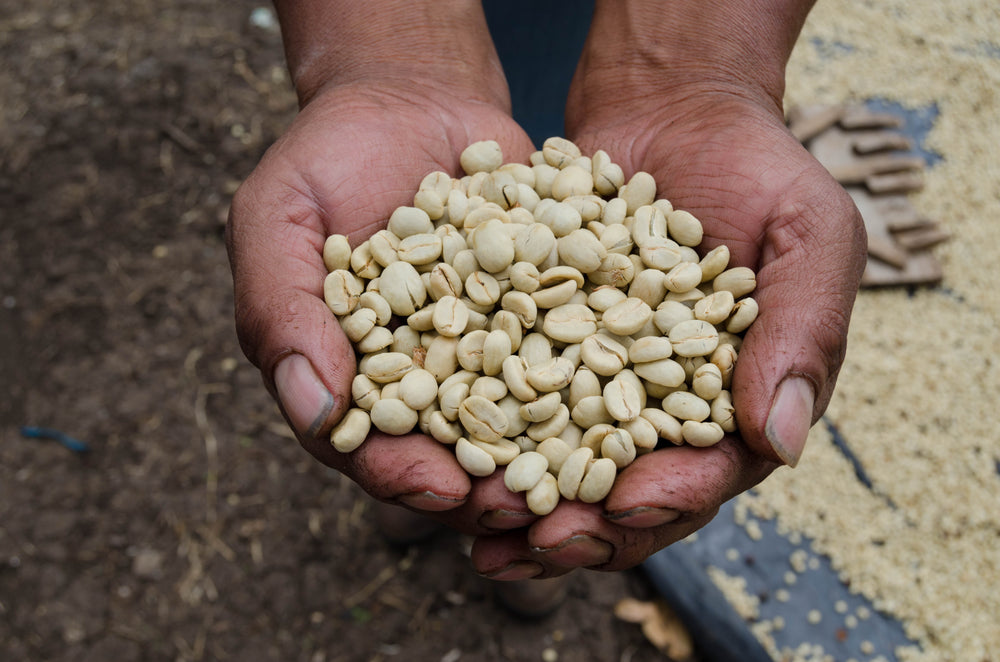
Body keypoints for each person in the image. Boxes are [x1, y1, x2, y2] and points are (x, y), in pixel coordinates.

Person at [226, 0, 865, 590]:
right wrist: (387, 54)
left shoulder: (622, 297)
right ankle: (425, 516)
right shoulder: (458, 278)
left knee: (547, 55)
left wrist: (695, 67)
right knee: (416, 462)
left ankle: (506, 561)